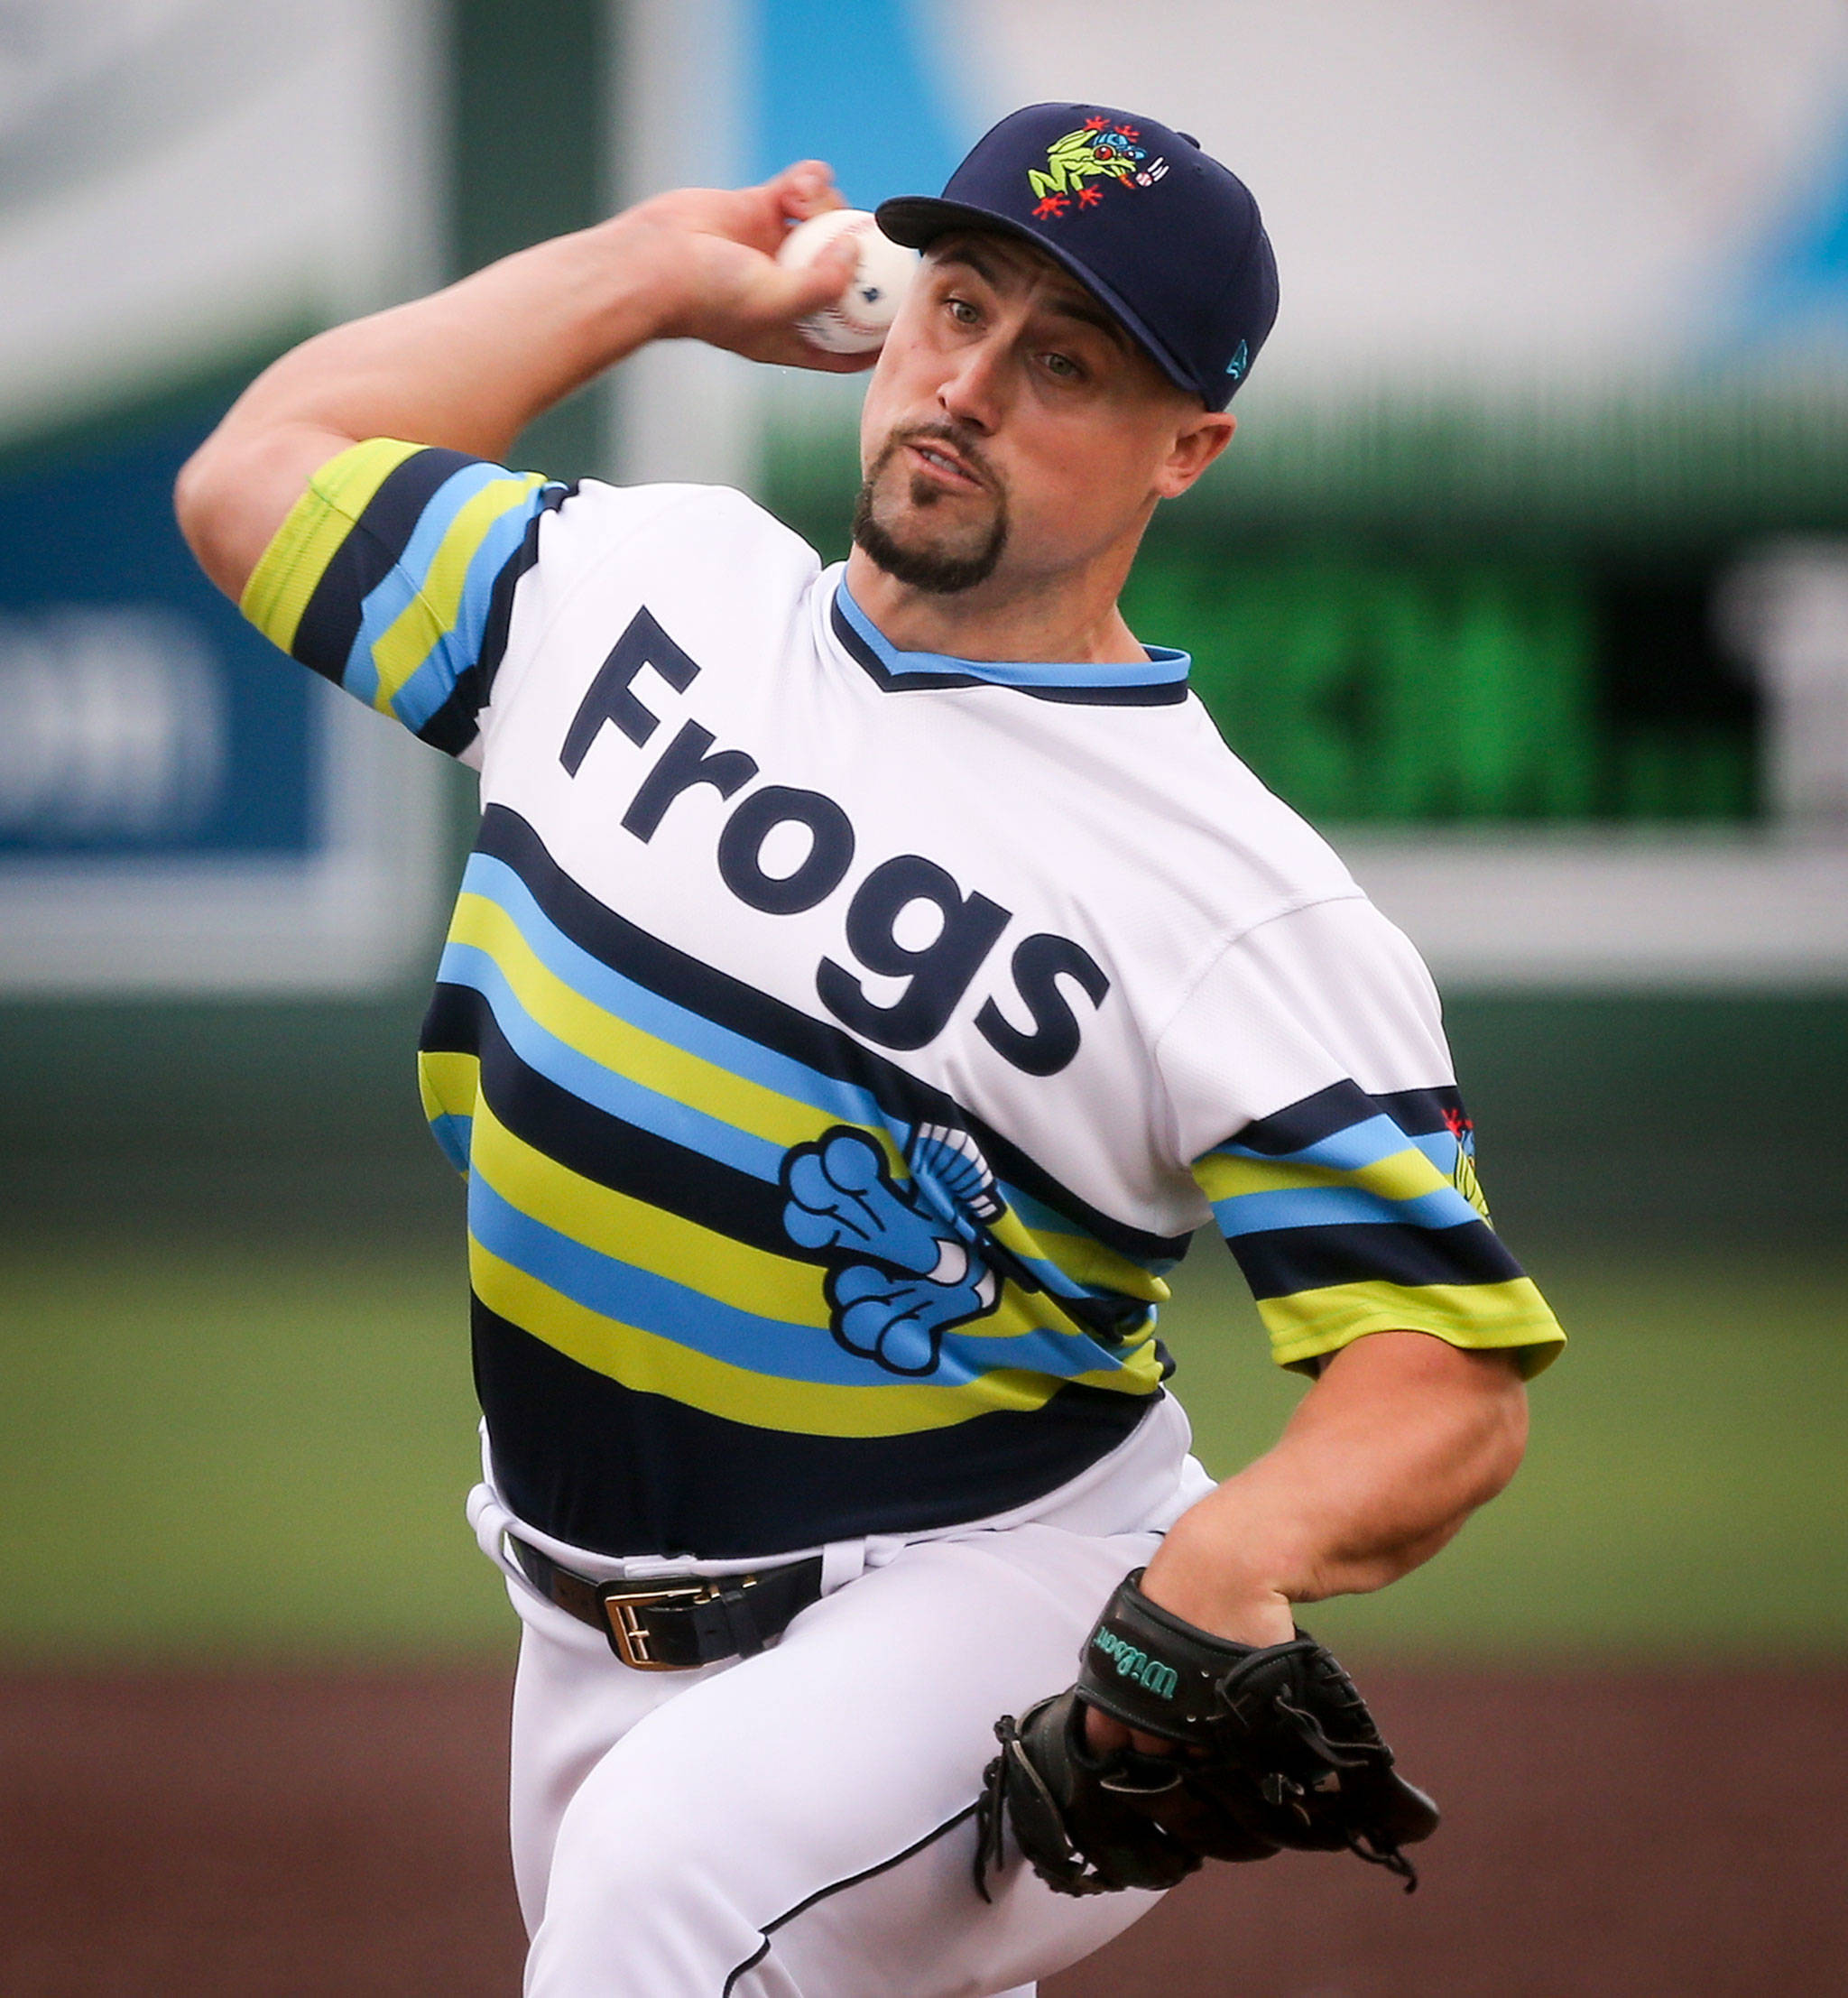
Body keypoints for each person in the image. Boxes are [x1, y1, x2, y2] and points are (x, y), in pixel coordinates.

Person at [176, 102, 1563, 1998]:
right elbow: (264, 471)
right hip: (579, 1617)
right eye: (956, 306)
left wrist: (1234, 1559)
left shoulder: (1239, 897)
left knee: (657, 1916)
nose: (969, 383)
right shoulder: (634, 587)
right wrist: (657, 274)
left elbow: (1442, 1375)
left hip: (974, 1600)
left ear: (1188, 448)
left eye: (1061, 362)